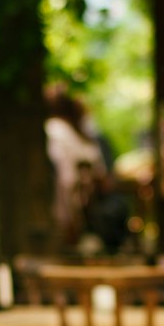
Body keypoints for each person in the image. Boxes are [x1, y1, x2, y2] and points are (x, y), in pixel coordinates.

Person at [44, 85, 105, 245]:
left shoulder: (55, 129)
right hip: (85, 204)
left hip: (71, 203)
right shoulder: (77, 131)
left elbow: (66, 176)